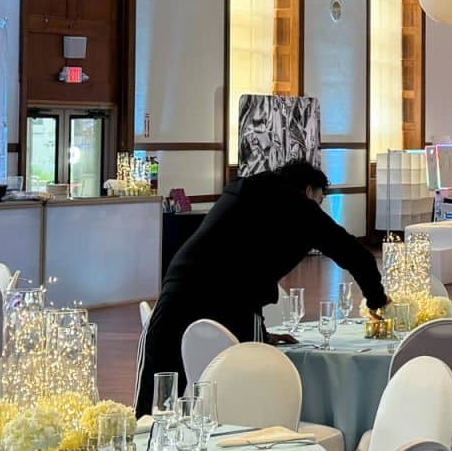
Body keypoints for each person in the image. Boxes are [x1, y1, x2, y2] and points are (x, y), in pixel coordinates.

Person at [135, 160, 387, 414]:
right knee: (242, 392)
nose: (319, 209)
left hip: (178, 291)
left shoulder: (241, 193)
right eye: (319, 201)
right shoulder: (301, 209)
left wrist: (262, 333)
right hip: (231, 306)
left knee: (156, 396)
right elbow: (356, 255)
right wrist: (377, 301)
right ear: (309, 192)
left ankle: (145, 446)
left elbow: (244, 262)